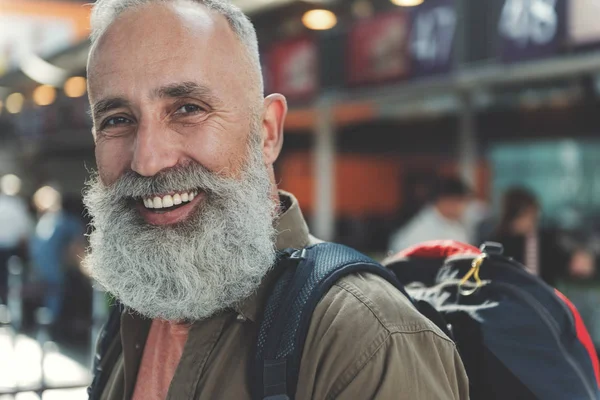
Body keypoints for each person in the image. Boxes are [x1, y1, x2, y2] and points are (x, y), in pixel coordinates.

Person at [83, 1, 469, 399]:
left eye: (187, 109)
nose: (147, 160)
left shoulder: (366, 338)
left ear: (267, 132)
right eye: (117, 119)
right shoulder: (137, 311)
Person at [490, 187, 593, 286]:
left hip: (542, 299)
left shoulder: (543, 239)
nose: (533, 219)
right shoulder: (497, 244)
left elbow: (561, 261)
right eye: (527, 214)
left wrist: (575, 261)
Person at [29, 186, 86, 328]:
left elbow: (76, 249)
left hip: (53, 274)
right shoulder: (48, 222)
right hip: (50, 274)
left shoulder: (61, 222)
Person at [389, 176, 471, 254]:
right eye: (462, 202)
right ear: (446, 201)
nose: (464, 207)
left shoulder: (454, 225)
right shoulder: (419, 231)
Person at [0, 174, 33, 304]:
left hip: (11, 251)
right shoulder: (19, 205)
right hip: (11, 251)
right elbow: (24, 233)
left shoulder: (17, 205)